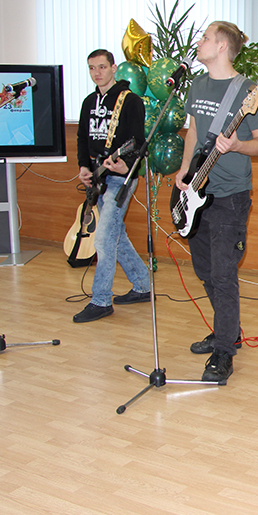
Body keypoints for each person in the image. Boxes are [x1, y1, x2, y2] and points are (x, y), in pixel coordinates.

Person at [175, 22, 258, 384]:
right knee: (204, 271)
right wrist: (185, 169)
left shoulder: (248, 91)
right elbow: (194, 131)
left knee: (223, 274)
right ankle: (228, 330)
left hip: (230, 196)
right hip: (196, 191)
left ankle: (224, 352)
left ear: (222, 47)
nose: (199, 42)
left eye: (205, 38)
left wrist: (237, 145)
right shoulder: (197, 84)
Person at [73, 49, 151, 323]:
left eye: (102, 67)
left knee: (104, 239)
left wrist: (125, 165)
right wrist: (84, 167)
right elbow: (82, 137)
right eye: (92, 68)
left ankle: (101, 300)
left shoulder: (130, 101)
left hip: (121, 178)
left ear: (114, 68)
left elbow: (137, 142)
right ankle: (142, 285)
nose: (97, 73)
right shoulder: (88, 102)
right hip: (98, 177)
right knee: (116, 235)